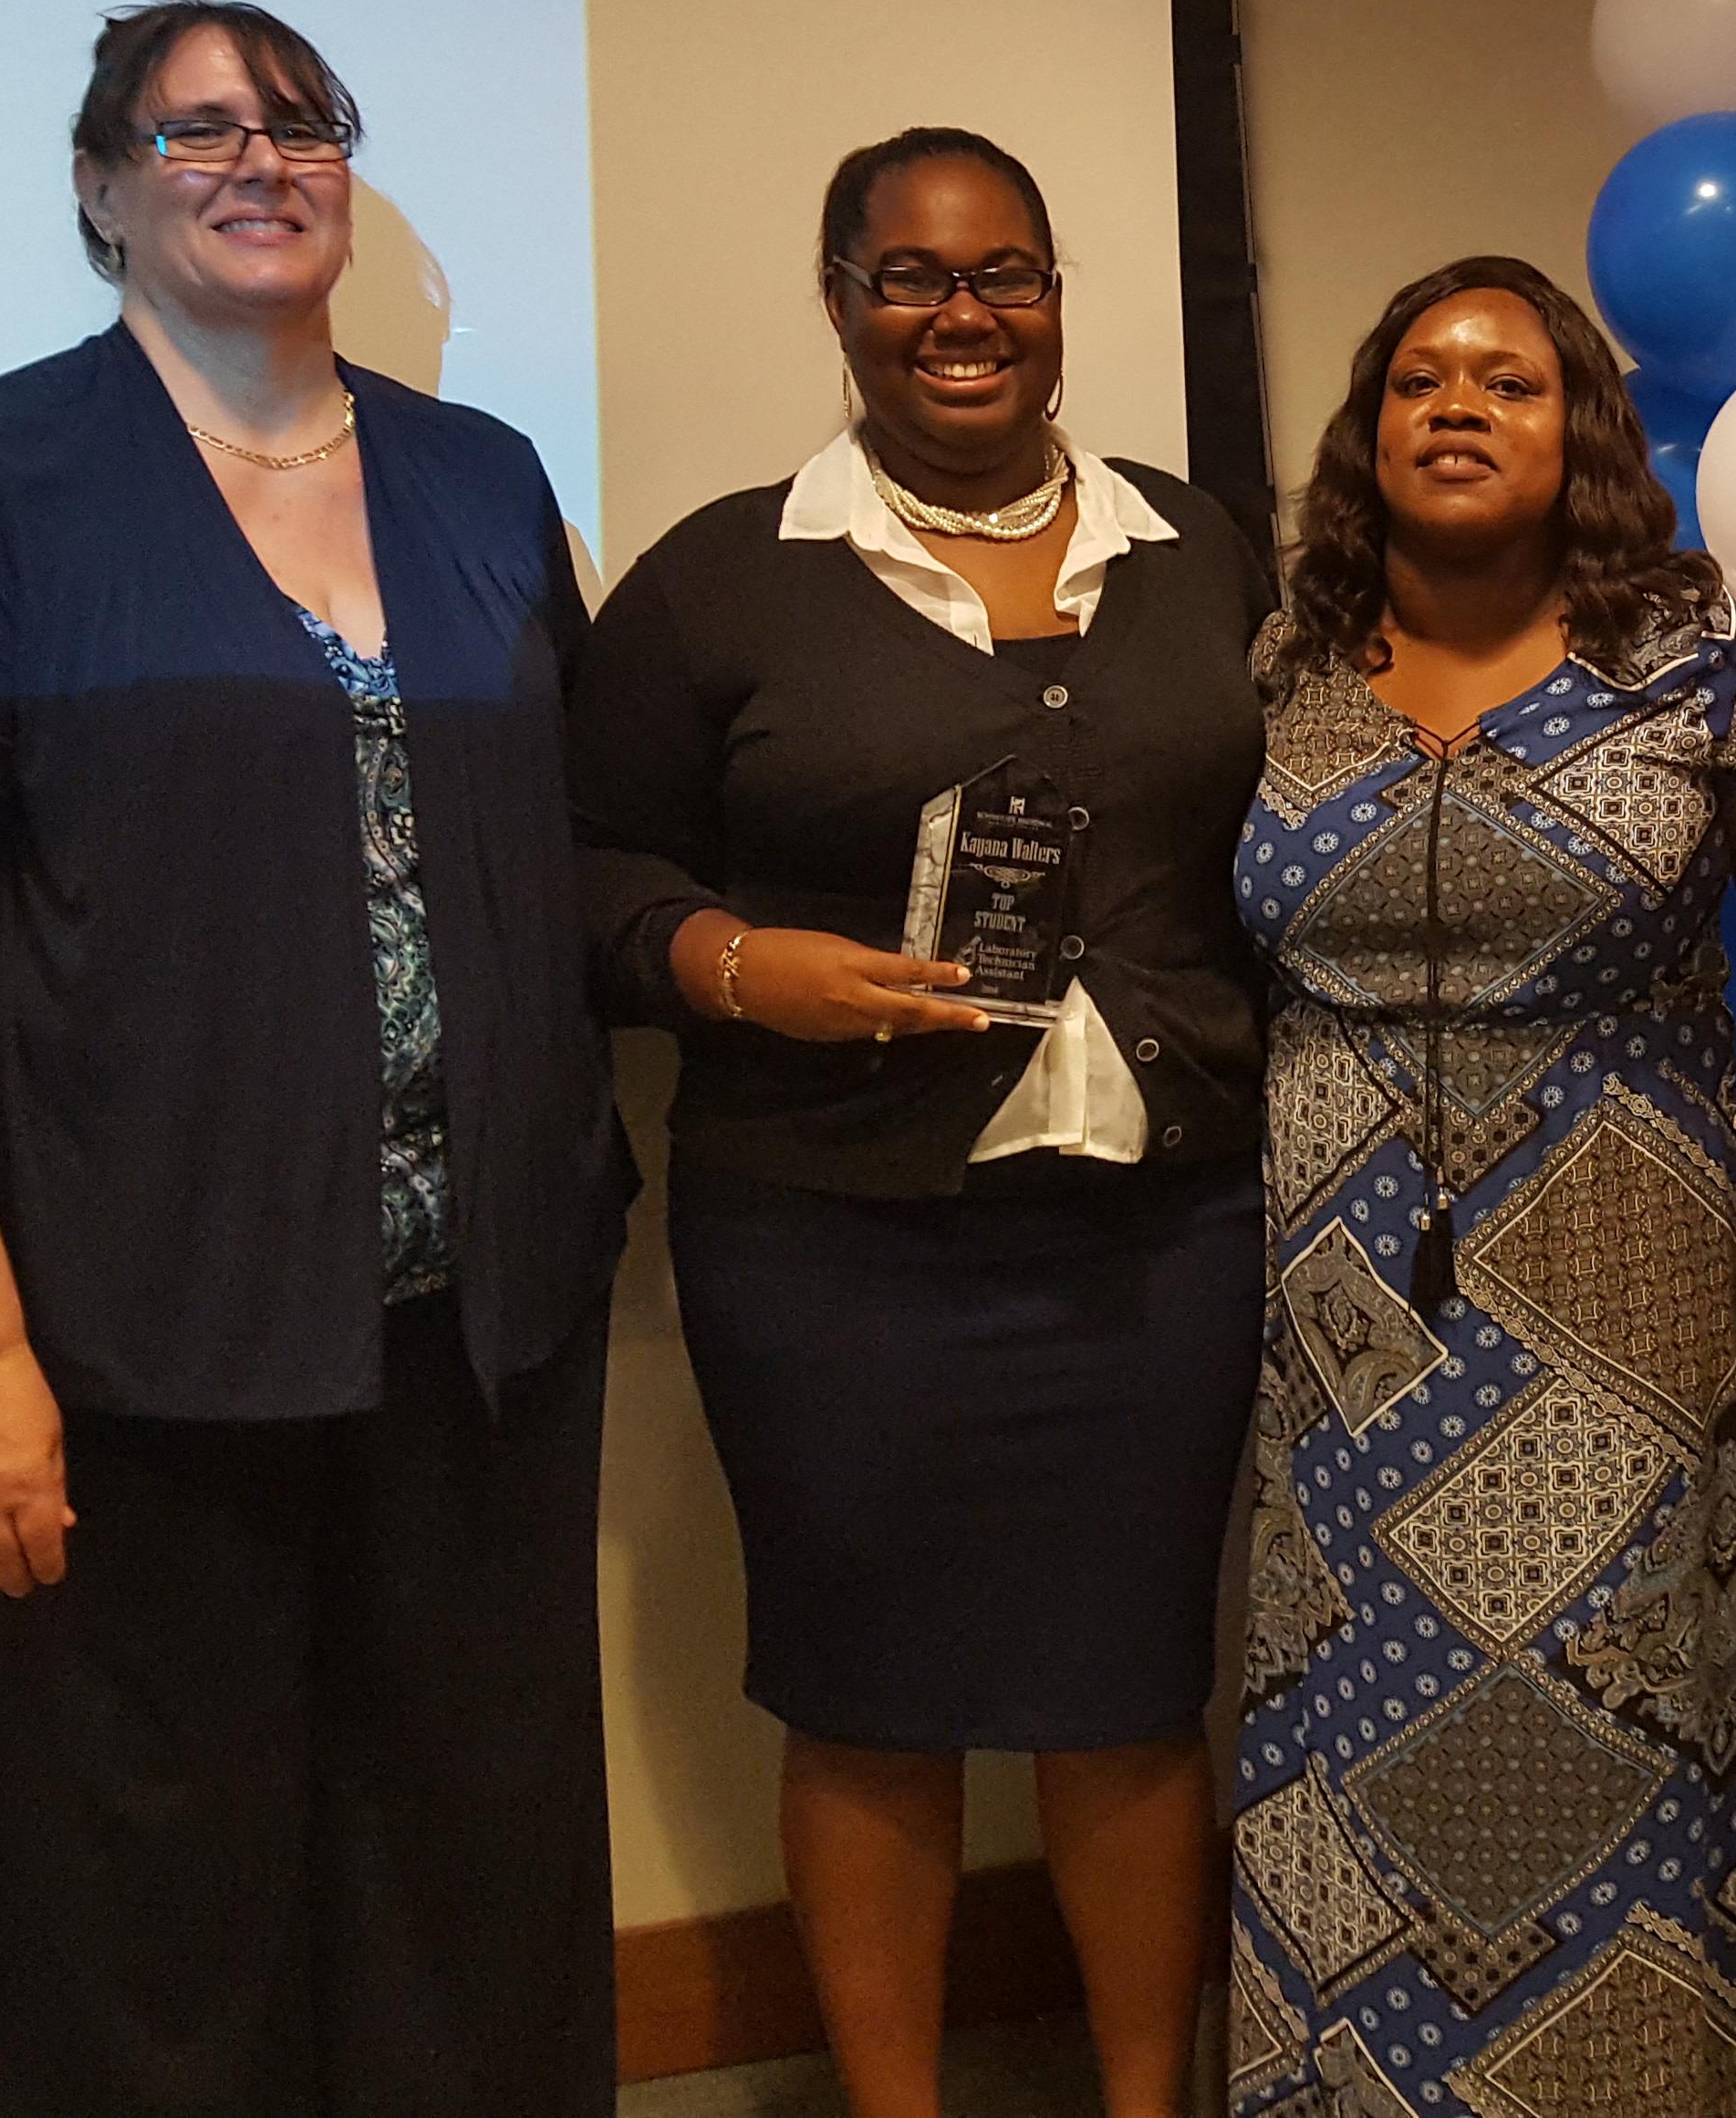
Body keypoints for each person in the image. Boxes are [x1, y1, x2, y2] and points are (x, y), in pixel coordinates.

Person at [0, 0, 632, 2113]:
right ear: (100, 191)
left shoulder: (479, 478)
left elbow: (575, 854)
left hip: (469, 1342)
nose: (261, 158)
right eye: (196, 129)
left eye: (303, 120)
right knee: (133, 1915)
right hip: (117, 1350)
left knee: (469, 1883)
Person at [567, 128, 1270, 2118]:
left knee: (1129, 1691)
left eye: (1007, 276)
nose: (963, 317)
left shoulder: (1195, 547)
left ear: (1056, 300)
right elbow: (580, 862)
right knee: (867, 1701)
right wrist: (728, 960)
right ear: (841, 304)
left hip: (1162, 1227)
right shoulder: (721, 580)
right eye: (910, 278)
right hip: (828, 1237)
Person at [1228, 258, 1736, 2118]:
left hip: (1621, 1309)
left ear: (1583, 431)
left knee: (1614, 1719)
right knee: (1360, 1708)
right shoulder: (1283, 664)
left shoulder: (1696, 651)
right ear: (1370, 427)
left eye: (1508, 379)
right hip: (1343, 1325)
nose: (1459, 405)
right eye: (1419, 378)